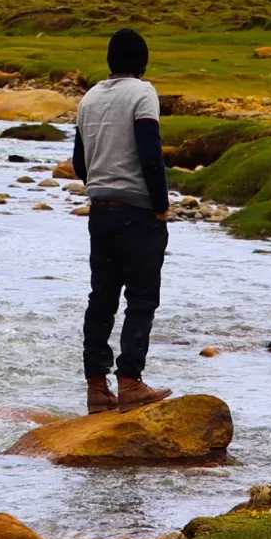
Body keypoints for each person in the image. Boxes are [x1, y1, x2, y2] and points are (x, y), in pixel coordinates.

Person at [72, 29, 172, 415]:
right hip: (138, 213)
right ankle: (130, 382)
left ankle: (97, 388)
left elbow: (81, 162)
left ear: (110, 61)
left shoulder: (89, 98)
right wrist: (160, 204)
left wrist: (100, 186)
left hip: (100, 211)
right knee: (142, 298)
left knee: (102, 299)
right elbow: (150, 154)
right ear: (142, 63)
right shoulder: (143, 93)